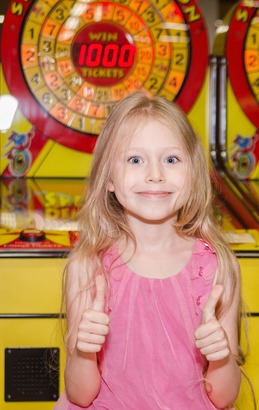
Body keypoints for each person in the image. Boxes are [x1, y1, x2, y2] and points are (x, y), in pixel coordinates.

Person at [54, 91, 245, 409]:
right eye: (135, 160)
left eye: (171, 160)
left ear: (192, 173)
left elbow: (224, 396)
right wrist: (83, 350)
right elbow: (80, 393)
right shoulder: (87, 269)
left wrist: (222, 357)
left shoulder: (217, 267)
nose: (154, 174)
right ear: (109, 179)